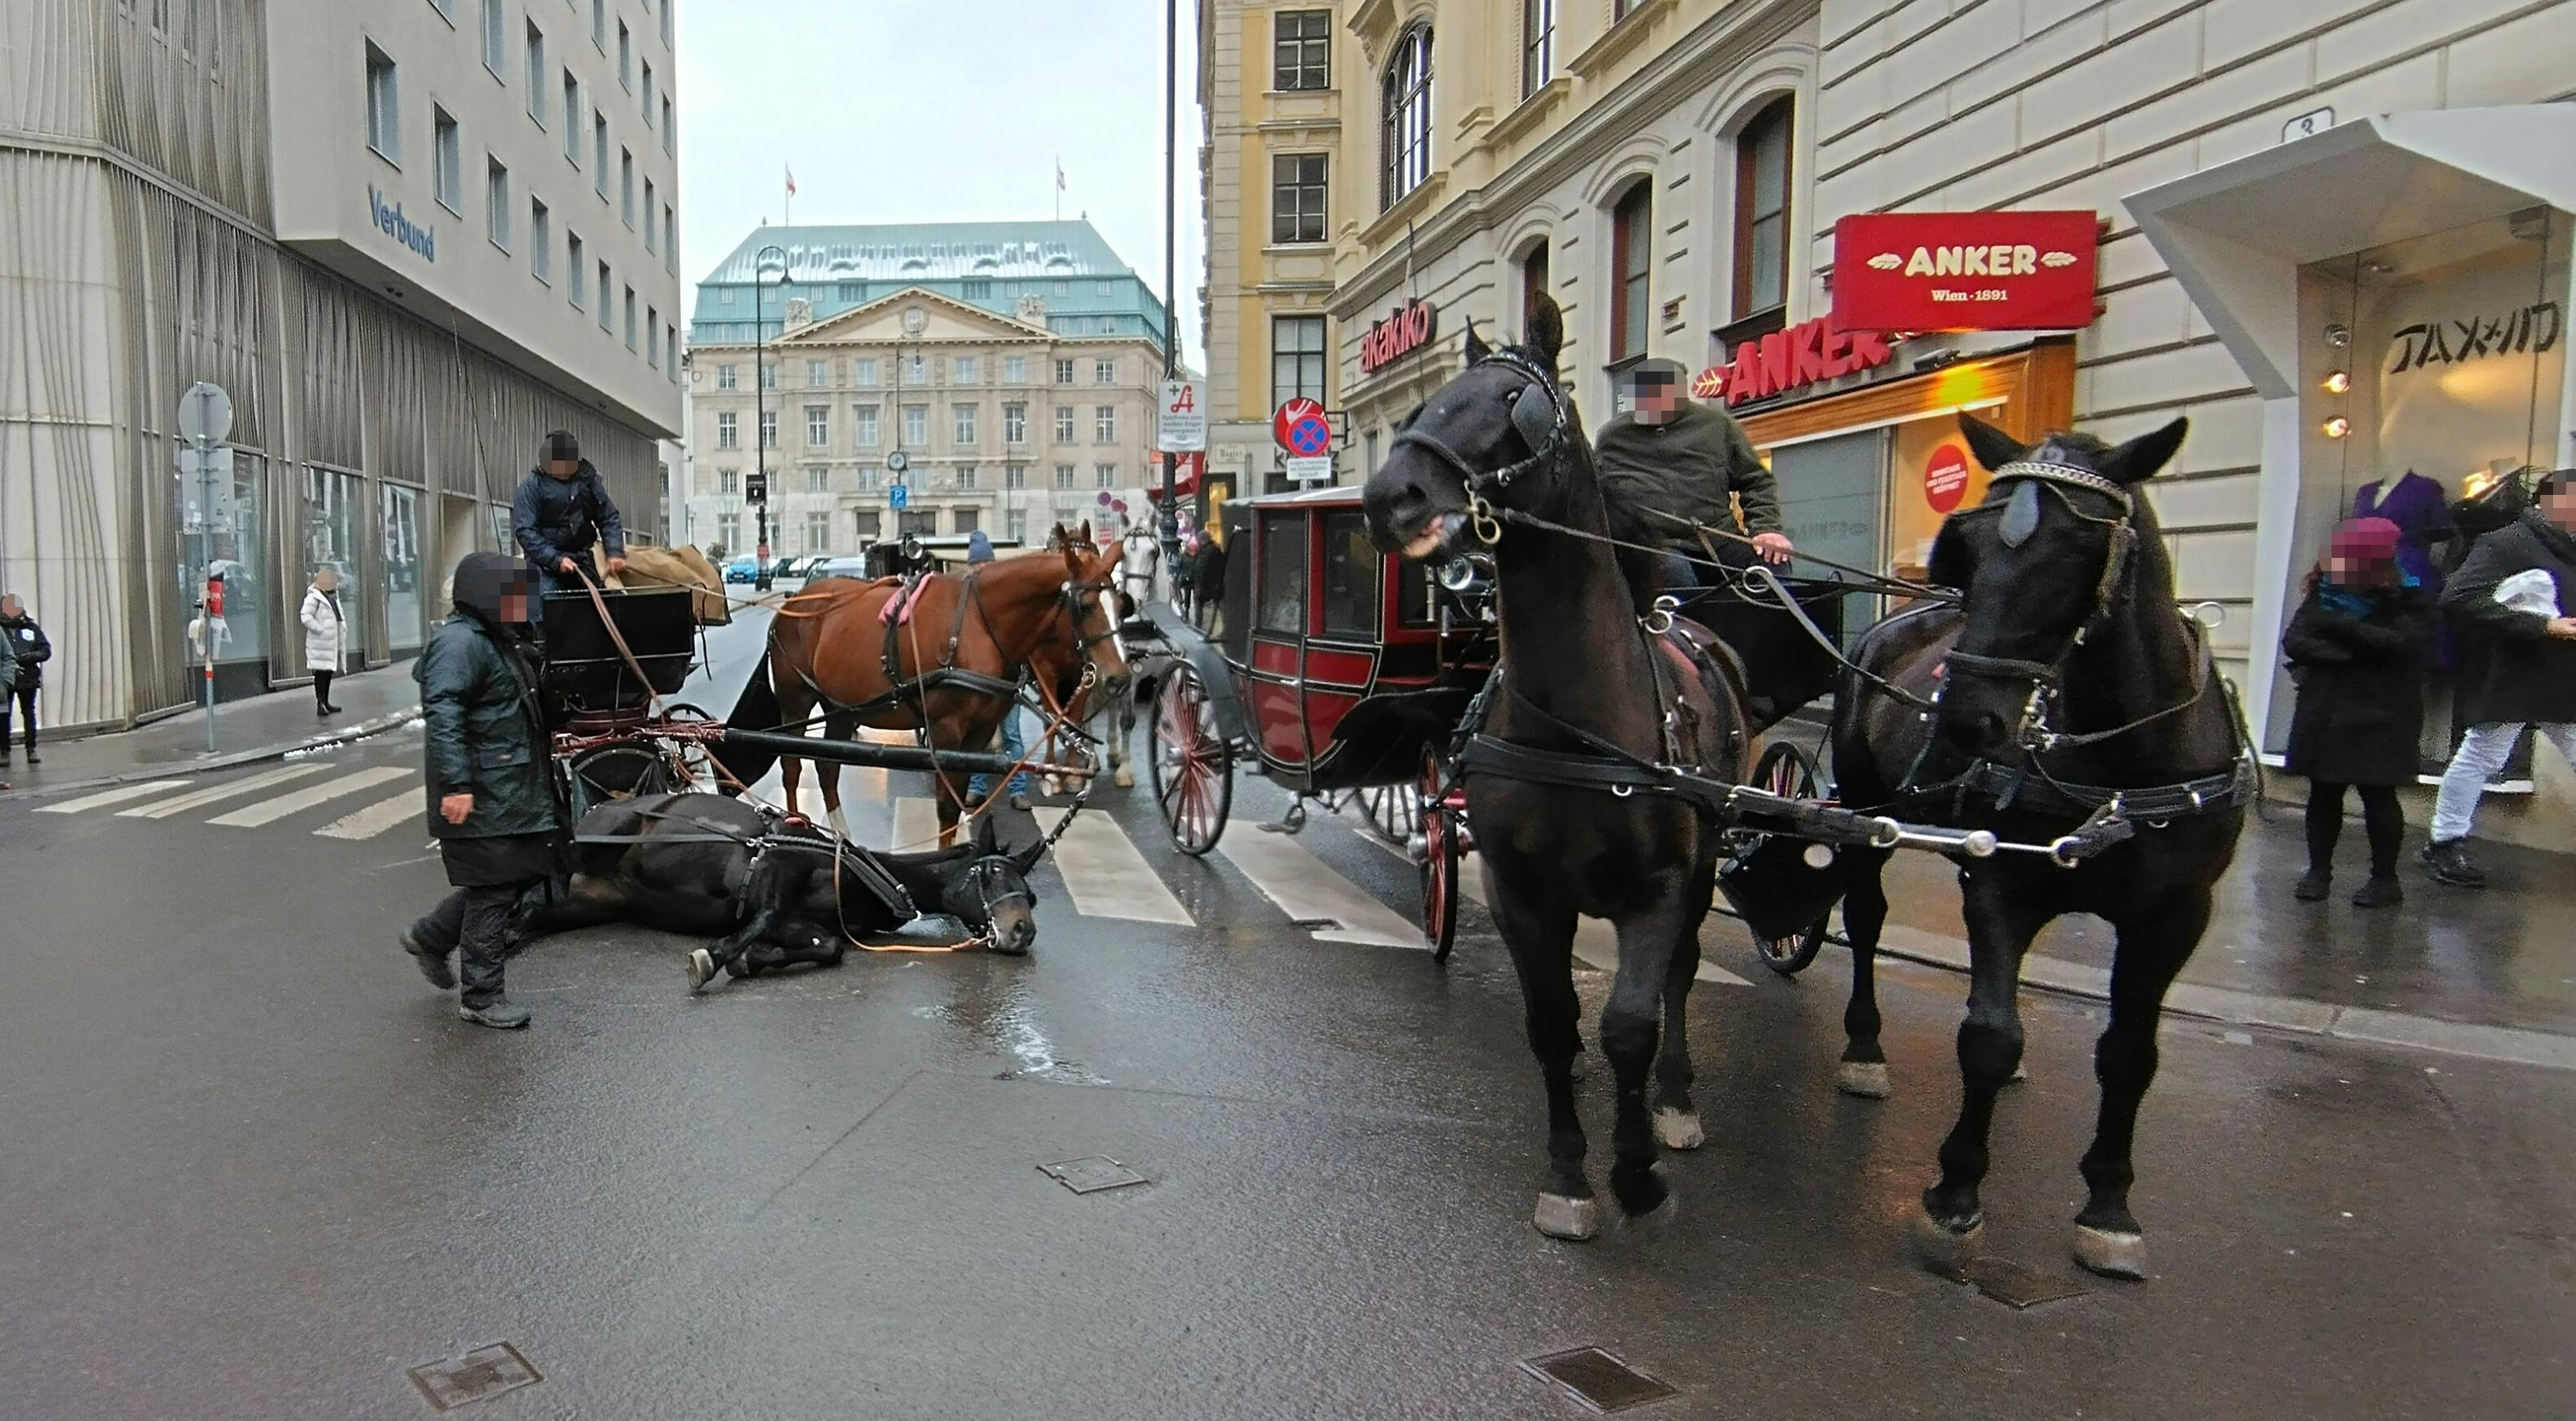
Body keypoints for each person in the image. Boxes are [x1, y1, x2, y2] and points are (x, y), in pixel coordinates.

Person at [399, 553, 565, 1028]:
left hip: (508, 788)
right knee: (493, 891)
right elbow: (444, 719)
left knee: (512, 879)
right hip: (482, 792)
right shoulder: (459, 644)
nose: (524, 606)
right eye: (514, 596)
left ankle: (430, 937)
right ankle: (482, 996)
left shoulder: (496, 639)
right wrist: (456, 786)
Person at [2421, 468, 2576, 887]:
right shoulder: (2507, 541)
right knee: (2484, 755)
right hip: (2517, 668)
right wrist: (2541, 626)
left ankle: (2444, 841)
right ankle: (2444, 842)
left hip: (2567, 674)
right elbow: (2459, 597)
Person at [2280, 518, 2433, 908]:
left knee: (2378, 797)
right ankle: (2318, 873)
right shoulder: (2325, 592)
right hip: (2327, 710)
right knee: (2323, 795)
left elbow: (2403, 645)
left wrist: (2340, 629)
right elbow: (2296, 641)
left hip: (2383, 712)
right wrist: (2350, 655)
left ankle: (2385, 880)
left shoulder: (2408, 596)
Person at [1594, 359, 1792, 594]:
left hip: (1717, 537)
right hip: (1656, 544)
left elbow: (1756, 481)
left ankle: (1769, 628)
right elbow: (1598, 494)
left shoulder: (1717, 426)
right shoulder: (1612, 436)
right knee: (1674, 575)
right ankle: (1687, 630)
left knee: (1773, 566)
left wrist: (1766, 529)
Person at [961, 531, 1033, 810]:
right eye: (978, 565)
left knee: (1012, 736)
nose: (983, 570)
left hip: (1006, 681)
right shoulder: (967, 597)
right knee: (980, 737)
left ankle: (1017, 791)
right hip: (979, 680)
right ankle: (977, 789)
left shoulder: (1006, 598)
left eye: (986, 564)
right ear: (972, 566)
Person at [512, 429, 627, 596]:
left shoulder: (590, 481)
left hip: (586, 559)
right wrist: (555, 559)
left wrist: (615, 551)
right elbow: (525, 530)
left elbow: (608, 516)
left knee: (615, 599)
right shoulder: (531, 485)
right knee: (548, 602)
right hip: (545, 566)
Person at [0, 593, 48, 766]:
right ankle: (4, 751)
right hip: (7, 678)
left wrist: (29, 656)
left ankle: (31, 748)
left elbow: (45, 650)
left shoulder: (30, 627)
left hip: (28, 678)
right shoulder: (1, 629)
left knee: (28, 712)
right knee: (4, 715)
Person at [299, 569, 347, 716]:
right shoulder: (314, 597)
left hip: (331, 643)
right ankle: (320, 704)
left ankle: (326, 702)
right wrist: (320, 629)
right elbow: (305, 616)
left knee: (327, 673)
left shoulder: (333, 597)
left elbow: (338, 618)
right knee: (320, 674)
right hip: (320, 644)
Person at [1190, 527, 1228, 634]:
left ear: (1203, 540)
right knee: (1220, 604)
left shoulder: (1206, 552)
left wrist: (1198, 584)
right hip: (1215, 584)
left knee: (1199, 604)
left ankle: (1198, 628)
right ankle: (1225, 627)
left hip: (1207, 585)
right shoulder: (1214, 550)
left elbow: (1202, 569)